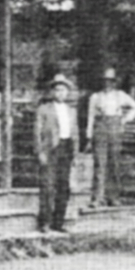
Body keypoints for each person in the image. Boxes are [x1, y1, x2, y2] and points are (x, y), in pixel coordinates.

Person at [85, 67, 135, 208]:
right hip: (100, 128)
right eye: (105, 81)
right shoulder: (95, 97)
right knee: (100, 163)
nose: (107, 84)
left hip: (115, 128)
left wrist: (124, 120)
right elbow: (90, 117)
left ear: (114, 82)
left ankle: (113, 196)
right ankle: (97, 197)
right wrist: (89, 135)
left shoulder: (120, 95)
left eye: (110, 81)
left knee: (114, 163)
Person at [35, 74, 78, 234]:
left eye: (63, 90)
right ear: (52, 92)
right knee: (47, 186)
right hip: (50, 148)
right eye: (57, 90)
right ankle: (44, 222)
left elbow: (75, 133)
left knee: (63, 187)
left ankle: (58, 222)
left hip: (66, 148)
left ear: (67, 93)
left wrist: (75, 154)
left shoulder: (71, 110)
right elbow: (37, 131)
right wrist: (40, 152)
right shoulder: (44, 109)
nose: (60, 93)